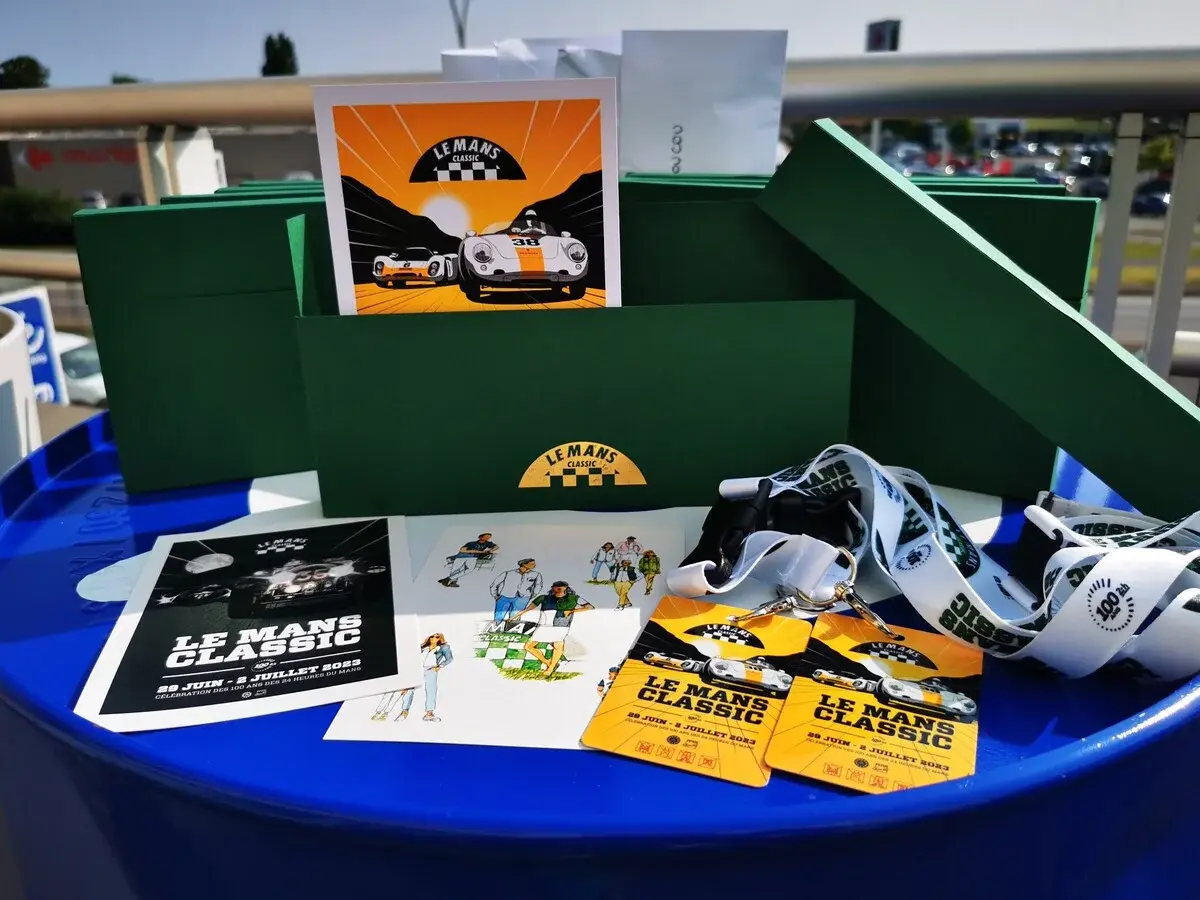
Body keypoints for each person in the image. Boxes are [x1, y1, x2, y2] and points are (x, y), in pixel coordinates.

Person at [517, 581, 594, 677]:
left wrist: (571, 611)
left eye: (562, 586)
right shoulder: (545, 598)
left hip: (561, 625)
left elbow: (589, 607)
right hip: (544, 625)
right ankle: (547, 662)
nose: (559, 588)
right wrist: (518, 614)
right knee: (528, 646)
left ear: (566, 587)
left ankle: (551, 668)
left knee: (558, 645)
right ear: (553, 588)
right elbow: (529, 608)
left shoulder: (574, 598)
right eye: (556, 586)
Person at [489, 558, 542, 625]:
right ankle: (496, 628)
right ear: (524, 564)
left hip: (523, 598)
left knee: (515, 618)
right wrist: (495, 596)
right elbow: (494, 585)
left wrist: (532, 595)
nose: (534, 565)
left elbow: (538, 585)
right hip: (505, 597)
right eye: (532, 564)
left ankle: (510, 629)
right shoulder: (508, 573)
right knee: (499, 616)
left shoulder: (536, 574)